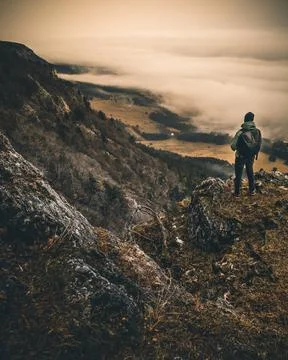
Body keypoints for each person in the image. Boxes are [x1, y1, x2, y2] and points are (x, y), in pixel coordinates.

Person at [231, 112, 262, 197]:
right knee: (250, 172)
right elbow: (258, 144)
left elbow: (233, 146)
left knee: (238, 174)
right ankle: (252, 191)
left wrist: (238, 148)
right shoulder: (258, 132)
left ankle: (237, 193)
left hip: (240, 156)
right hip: (251, 156)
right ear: (252, 120)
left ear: (244, 120)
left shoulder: (241, 132)